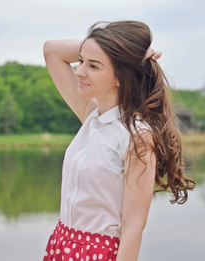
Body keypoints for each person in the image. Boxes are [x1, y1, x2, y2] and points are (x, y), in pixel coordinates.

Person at [42, 20, 196, 261]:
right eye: (81, 61)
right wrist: (110, 48)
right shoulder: (92, 117)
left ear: (120, 77)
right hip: (62, 247)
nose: (79, 71)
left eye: (93, 66)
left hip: (97, 254)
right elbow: (52, 50)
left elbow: (133, 227)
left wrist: (122, 55)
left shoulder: (137, 136)